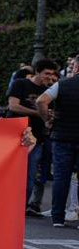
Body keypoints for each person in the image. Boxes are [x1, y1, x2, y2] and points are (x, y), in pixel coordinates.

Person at [10, 59, 60, 217]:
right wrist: (38, 112)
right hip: (16, 135)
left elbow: (50, 112)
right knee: (14, 173)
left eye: (52, 74)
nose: (49, 77)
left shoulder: (50, 90)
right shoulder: (20, 84)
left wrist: (49, 116)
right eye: (47, 73)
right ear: (37, 72)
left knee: (34, 174)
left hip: (39, 137)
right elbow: (13, 106)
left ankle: (27, 206)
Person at [38, 53, 79, 227]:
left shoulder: (61, 85)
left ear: (76, 67)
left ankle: (57, 217)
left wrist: (47, 119)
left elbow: (41, 101)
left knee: (61, 177)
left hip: (62, 137)